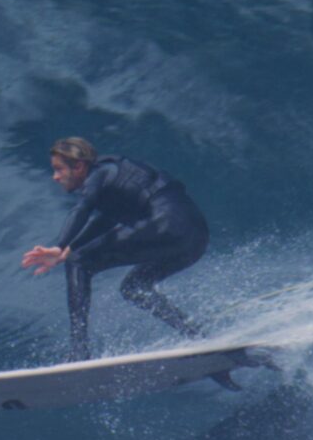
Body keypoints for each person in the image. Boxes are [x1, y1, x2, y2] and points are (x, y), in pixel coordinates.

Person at [21, 137, 209, 362]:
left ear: (79, 166)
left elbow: (82, 209)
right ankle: (198, 336)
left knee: (79, 263)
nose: (55, 177)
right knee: (134, 288)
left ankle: (80, 351)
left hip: (167, 224)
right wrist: (68, 250)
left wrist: (60, 246)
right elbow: (104, 220)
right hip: (195, 236)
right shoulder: (116, 178)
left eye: (59, 169)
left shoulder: (99, 173)